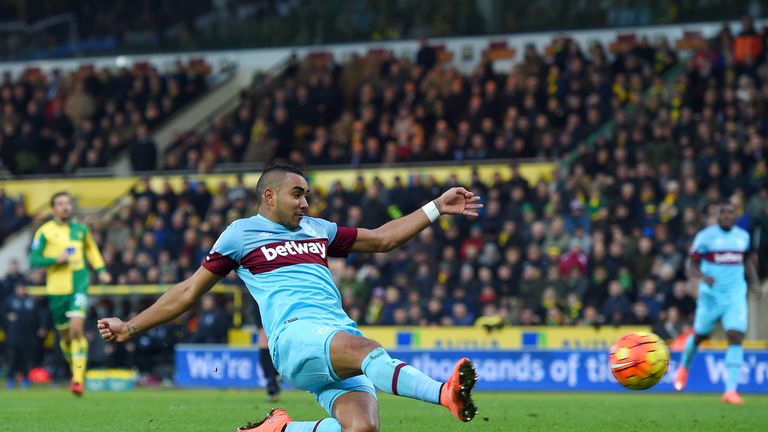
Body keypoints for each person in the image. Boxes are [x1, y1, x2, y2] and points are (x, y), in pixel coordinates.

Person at [98, 164, 483, 432]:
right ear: (269, 195)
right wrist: (130, 326)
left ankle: (280, 428)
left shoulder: (317, 228)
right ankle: (444, 393)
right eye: (297, 194)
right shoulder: (240, 233)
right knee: (367, 350)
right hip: (294, 337)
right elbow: (187, 291)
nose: (305, 203)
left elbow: (383, 239)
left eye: (307, 196)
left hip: (333, 335)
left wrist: (436, 208)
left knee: (362, 427)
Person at [673, 203, 763, 404]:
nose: (727, 217)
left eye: (731, 213)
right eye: (723, 213)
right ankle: (683, 368)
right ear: (717, 215)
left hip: (735, 294)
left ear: (735, 216)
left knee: (735, 335)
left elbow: (748, 261)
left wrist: (755, 283)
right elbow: (691, 264)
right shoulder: (705, 236)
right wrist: (702, 276)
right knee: (699, 335)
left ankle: (730, 390)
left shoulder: (743, 237)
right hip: (710, 296)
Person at [29, 192, 112, 396]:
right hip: (57, 290)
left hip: (78, 285)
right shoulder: (45, 232)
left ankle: (77, 379)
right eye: (60, 204)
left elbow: (91, 250)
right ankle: (76, 367)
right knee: (66, 336)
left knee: (77, 329)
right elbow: (34, 259)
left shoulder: (81, 229)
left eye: (67, 203)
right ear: (53, 209)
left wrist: (101, 270)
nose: (65, 207)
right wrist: (54, 260)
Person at [4, 284, 46, 389]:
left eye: (22, 288)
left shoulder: (31, 301)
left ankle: (26, 379)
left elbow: (39, 315)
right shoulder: (10, 300)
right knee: (13, 358)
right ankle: (10, 379)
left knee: (27, 359)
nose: (20, 290)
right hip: (14, 335)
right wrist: (7, 317)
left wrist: (41, 327)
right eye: (19, 288)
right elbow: (3, 313)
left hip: (28, 335)